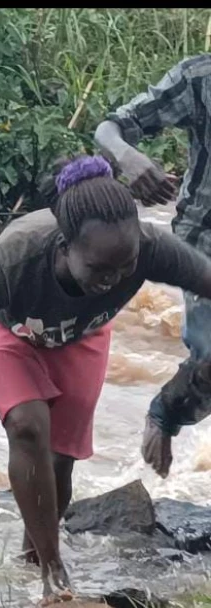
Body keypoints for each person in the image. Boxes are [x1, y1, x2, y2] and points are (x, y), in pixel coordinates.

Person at [0, 155, 211, 604]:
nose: (113, 280)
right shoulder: (12, 259)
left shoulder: (148, 247)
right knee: (28, 425)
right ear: (64, 245)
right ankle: (54, 572)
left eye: (124, 268)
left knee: (61, 459)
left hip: (82, 337)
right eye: (99, 270)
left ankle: (33, 554)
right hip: (8, 332)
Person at [94, 55, 211, 477]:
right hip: (205, 242)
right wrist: (129, 159)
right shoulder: (200, 78)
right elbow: (109, 128)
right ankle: (166, 414)